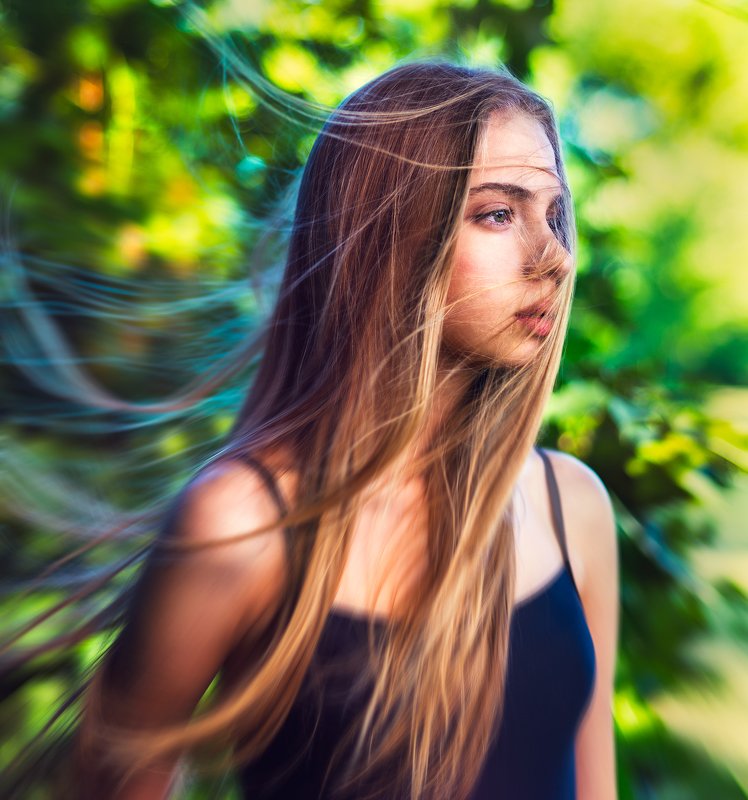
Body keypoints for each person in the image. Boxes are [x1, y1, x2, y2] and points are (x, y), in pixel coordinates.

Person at [71, 58, 620, 799]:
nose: (553, 257)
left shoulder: (570, 506)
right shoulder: (243, 522)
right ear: (389, 231)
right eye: (498, 213)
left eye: (554, 214)